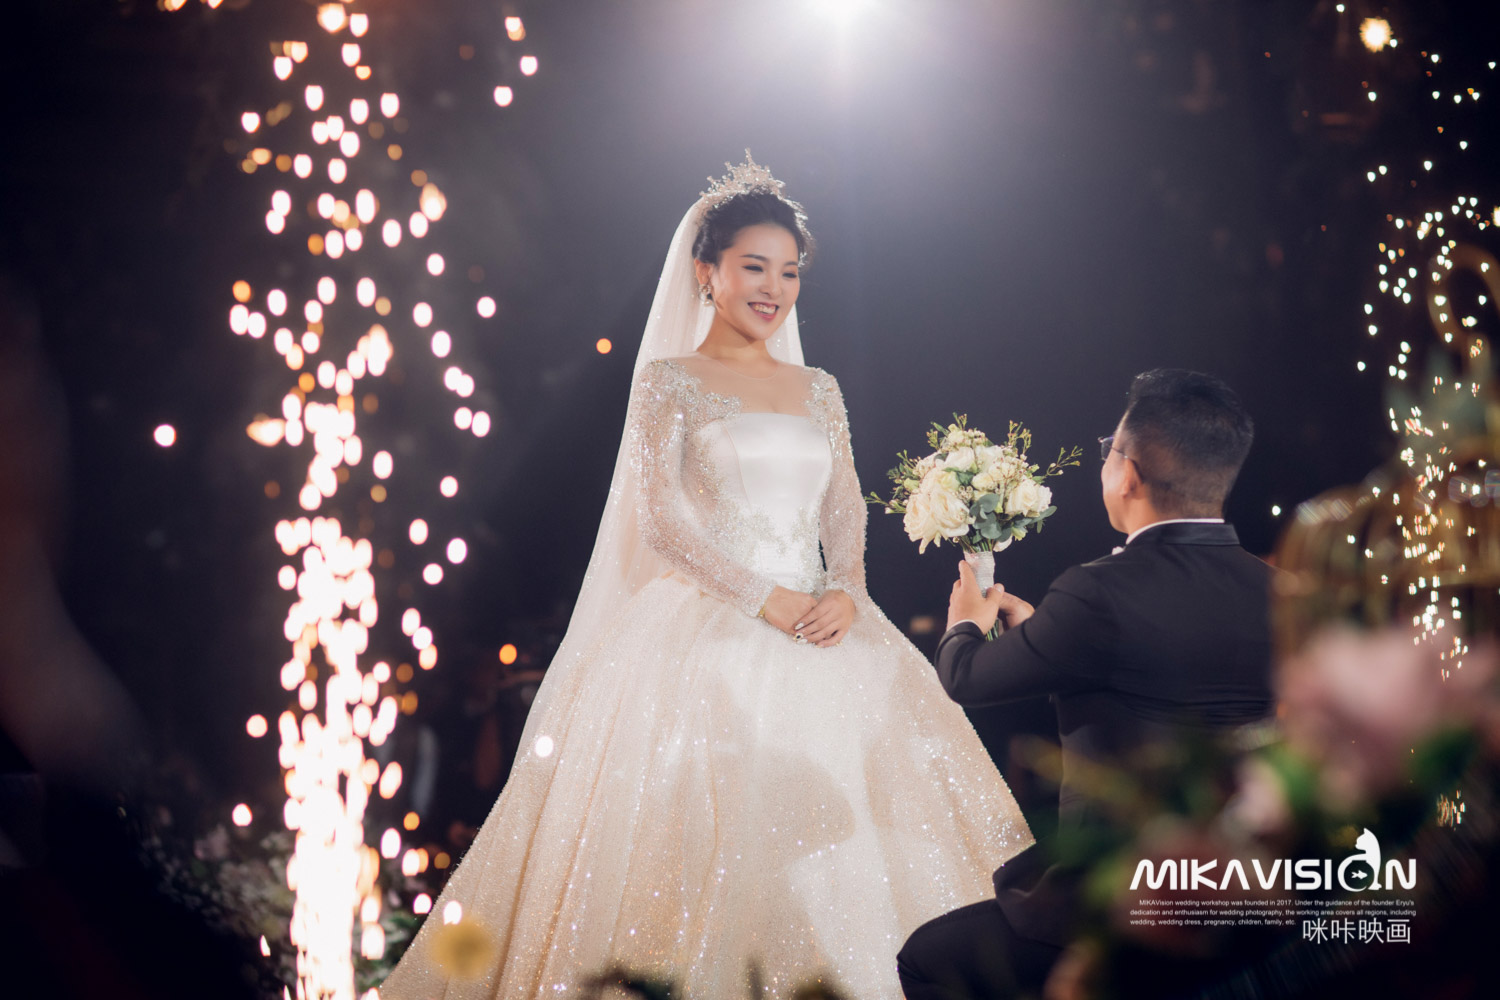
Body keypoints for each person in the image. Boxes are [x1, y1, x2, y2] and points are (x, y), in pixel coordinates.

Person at [379, 155, 1033, 999]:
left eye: (789, 272)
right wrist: (765, 598)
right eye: (754, 267)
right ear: (706, 273)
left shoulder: (819, 389)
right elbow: (659, 521)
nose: (774, 289)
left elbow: (844, 506)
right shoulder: (669, 383)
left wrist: (848, 588)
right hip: (711, 624)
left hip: (828, 624)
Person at [897, 369, 1275, 999]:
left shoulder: (1098, 590)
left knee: (925, 961)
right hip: (1239, 900)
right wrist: (1044, 631)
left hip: (1116, 899)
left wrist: (964, 623)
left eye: (1109, 451)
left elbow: (966, 678)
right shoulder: (1278, 590)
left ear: (1128, 475)